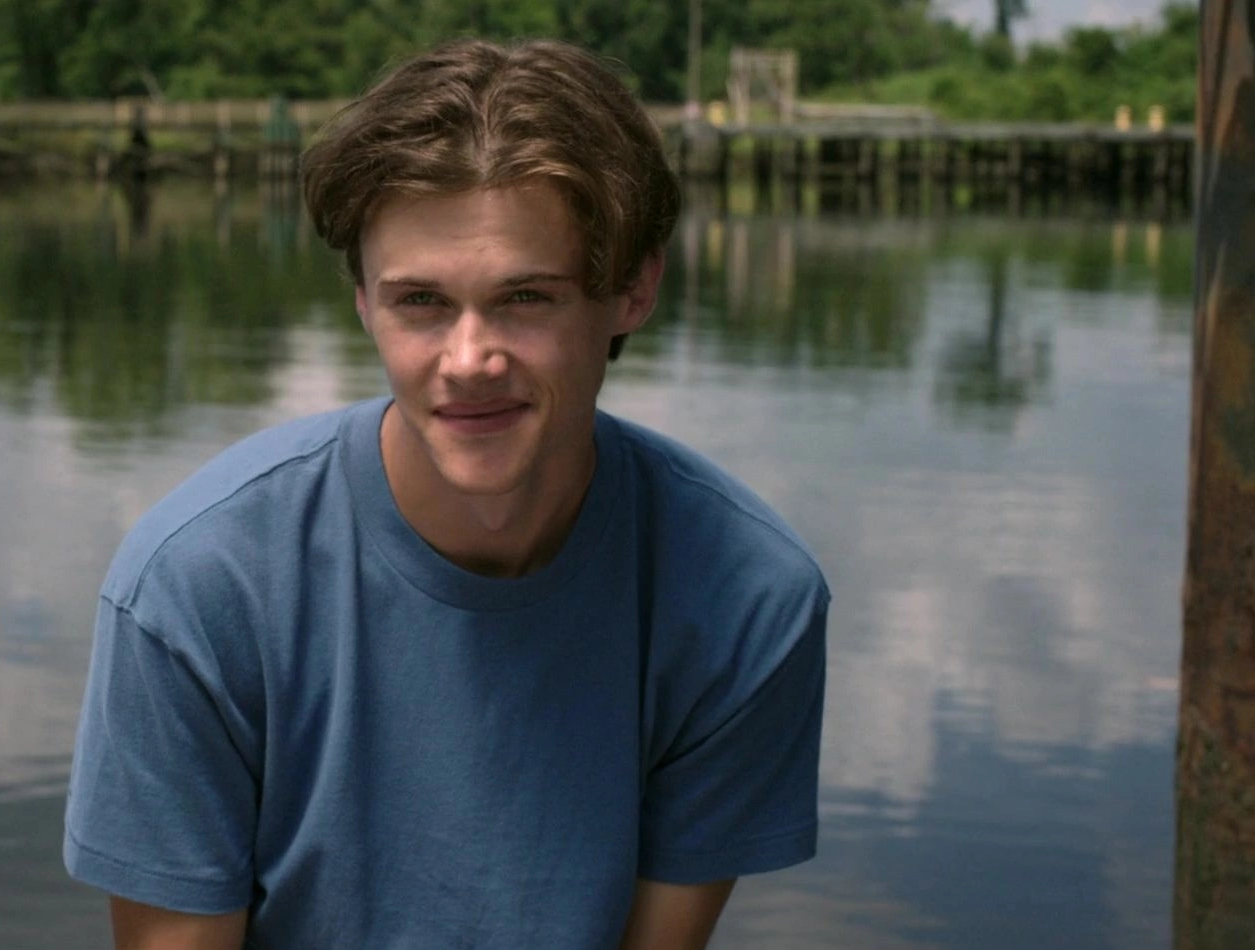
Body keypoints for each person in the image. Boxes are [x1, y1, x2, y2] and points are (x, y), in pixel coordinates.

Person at [64, 38, 829, 950]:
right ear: (362, 301)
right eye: (420, 302)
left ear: (633, 289)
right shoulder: (195, 592)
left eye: (526, 298)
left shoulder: (747, 599)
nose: (469, 361)